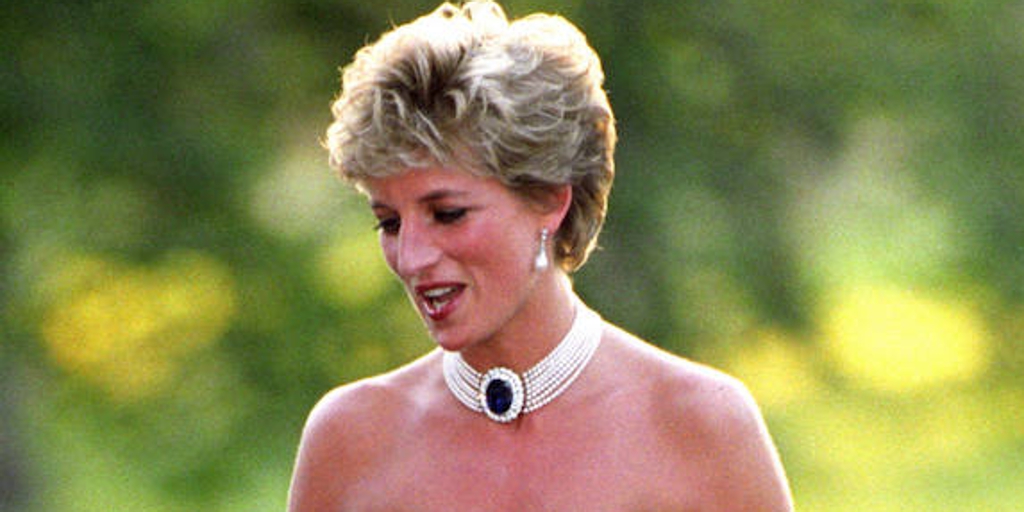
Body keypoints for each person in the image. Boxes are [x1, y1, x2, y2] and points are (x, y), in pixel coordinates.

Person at [288, 1, 794, 510]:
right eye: (390, 222)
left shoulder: (701, 423)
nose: (412, 258)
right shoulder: (349, 439)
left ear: (550, 200)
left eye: (447, 214)